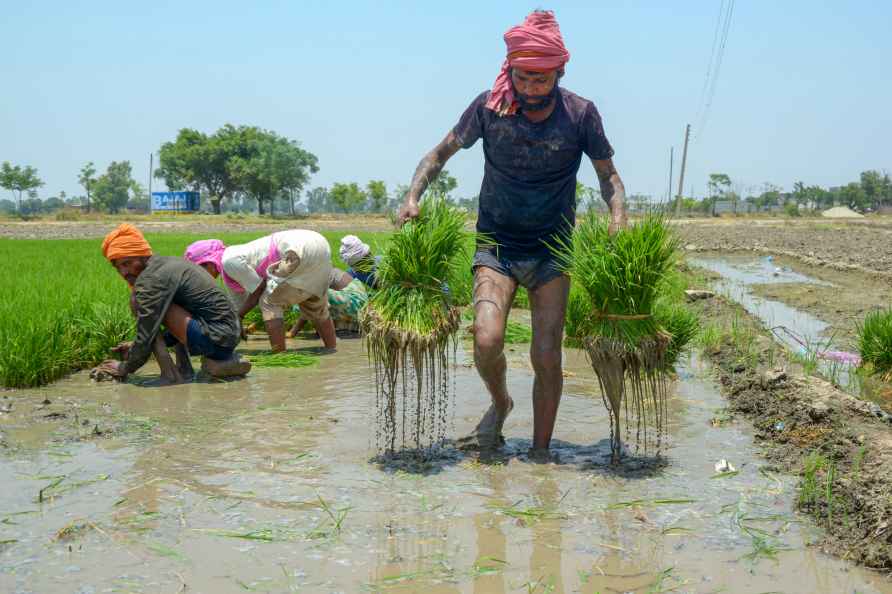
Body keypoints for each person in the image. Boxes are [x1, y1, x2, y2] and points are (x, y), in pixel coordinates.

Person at [397, 10, 628, 458]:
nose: (532, 87)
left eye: (542, 78)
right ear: (510, 70)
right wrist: (413, 196)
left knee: (546, 355)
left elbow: (609, 177)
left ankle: (540, 452)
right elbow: (438, 154)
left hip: (552, 249)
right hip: (497, 246)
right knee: (486, 340)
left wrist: (618, 215)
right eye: (523, 77)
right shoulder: (489, 107)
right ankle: (501, 402)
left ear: (560, 71)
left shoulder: (581, 114)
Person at [92, 224, 250, 382]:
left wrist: (125, 367)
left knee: (137, 302)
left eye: (127, 264)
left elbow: (147, 330)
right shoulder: (166, 265)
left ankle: (170, 375)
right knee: (159, 305)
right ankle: (184, 368)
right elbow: (177, 324)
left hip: (218, 341)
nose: (124, 272)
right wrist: (136, 345)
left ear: (142, 255)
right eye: (118, 268)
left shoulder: (151, 279)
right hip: (226, 338)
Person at [184, 230, 336, 352]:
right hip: (320, 244)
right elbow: (237, 306)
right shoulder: (233, 264)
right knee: (313, 302)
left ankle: (279, 356)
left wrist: (239, 316)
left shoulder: (228, 261)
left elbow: (258, 290)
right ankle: (332, 349)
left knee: (269, 301)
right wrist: (237, 322)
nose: (201, 277)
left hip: (295, 249)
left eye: (199, 271)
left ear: (208, 263)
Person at [289, 268, 368, 337]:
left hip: (355, 301)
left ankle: (328, 335)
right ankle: (327, 331)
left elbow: (310, 307)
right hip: (358, 301)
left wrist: (293, 331)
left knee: (312, 300)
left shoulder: (313, 276)